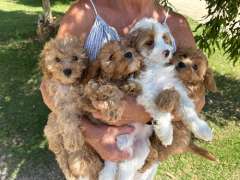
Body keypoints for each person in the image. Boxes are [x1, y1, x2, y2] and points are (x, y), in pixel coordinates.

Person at [40, 0, 205, 163]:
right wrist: (94, 135)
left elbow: (198, 98)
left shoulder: (176, 24)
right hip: (87, 157)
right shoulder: (85, 12)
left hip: (143, 156)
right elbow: (50, 87)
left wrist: (145, 113)